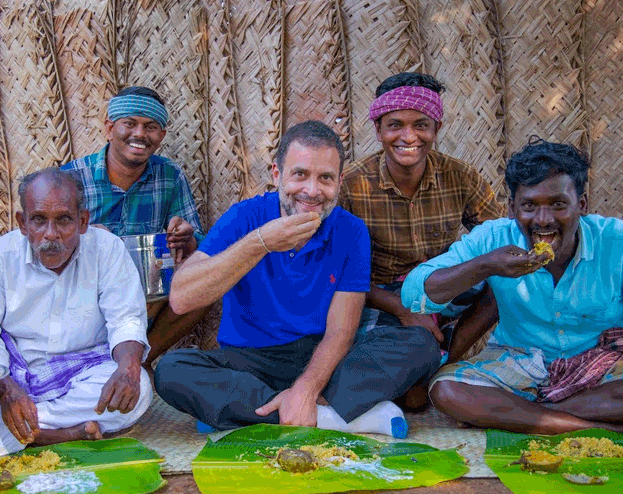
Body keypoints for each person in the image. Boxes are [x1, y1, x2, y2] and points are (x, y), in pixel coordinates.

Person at [154, 121, 441, 438]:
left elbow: (340, 332)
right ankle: (333, 417)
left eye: (325, 178)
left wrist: (306, 387)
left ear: (339, 182)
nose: (312, 191)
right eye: (300, 174)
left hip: (321, 360)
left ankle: (247, 412)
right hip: (249, 360)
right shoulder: (244, 217)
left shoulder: (350, 230)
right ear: (277, 174)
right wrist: (262, 242)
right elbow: (182, 298)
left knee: (421, 344)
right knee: (171, 370)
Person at [402, 138, 623, 434]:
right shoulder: (494, 239)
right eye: (529, 206)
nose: (543, 220)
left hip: (601, 363)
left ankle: (528, 415)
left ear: (581, 204)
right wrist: (485, 265)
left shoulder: (615, 240)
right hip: (520, 360)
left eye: (558, 204)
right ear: (511, 208)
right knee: (447, 390)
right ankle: (593, 428)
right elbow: (413, 293)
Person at [0, 168, 152, 455]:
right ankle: (63, 434)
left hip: (86, 371)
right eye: (38, 220)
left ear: (83, 221)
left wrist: (128, 368)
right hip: (9, 376)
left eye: (64, 220)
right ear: (23, 223)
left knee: (140, 388)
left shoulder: (107, 250)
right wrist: (6, 390)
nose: (51, 234)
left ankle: (17, 432)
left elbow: (126, 319)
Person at [340, 72, 505, 408]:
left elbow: (500, 239)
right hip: (381, 297)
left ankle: (444, 363)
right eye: (395, 125)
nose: (408, 136)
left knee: (502, 283)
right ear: (378, 130)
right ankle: (422, 359)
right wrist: (403, 311)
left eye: (421, 125)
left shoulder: (461, 177)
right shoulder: (352, 185)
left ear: (436, 129)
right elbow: (338, 272)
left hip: (442, 288)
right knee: (411, 395)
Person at [61, 86, 206, 368]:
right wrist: (86, 238)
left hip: (149, 295)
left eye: (150, 127)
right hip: (86, 296)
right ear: (109, 128)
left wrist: (186, 238)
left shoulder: (169, 176)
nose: (140, 134)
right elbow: (45, 246)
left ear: (161, 136)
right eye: (130, 123)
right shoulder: (70, 179)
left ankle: (138, 363)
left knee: (202, 287)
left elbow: (200, 244)